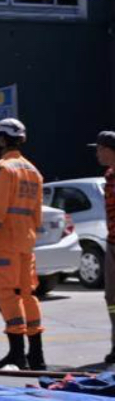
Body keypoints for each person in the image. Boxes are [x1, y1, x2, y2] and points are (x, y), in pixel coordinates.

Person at [0, 118, 46, 371]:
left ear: (2, 140)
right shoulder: (34, 171)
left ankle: (17, 355)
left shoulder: (2, 169)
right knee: (28, 295)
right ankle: (36, 355)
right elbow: (37, 215)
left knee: (7, 296)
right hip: (27, 243)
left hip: (6, 243)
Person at [91, 130, 115, 365]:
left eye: (99, 148)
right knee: (112, 297)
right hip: (112, 242)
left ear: (109, 150)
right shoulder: (108, 177)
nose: (97, 153)